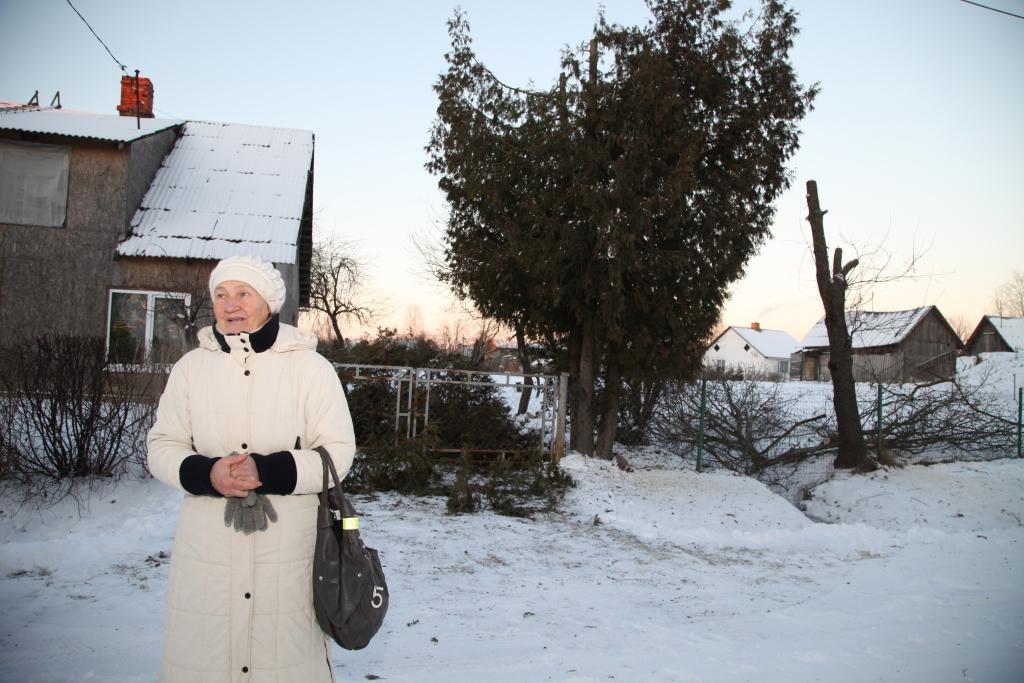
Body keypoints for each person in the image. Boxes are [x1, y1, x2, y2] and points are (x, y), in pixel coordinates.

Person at [148, 254, 356, 682]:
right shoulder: (190, 370)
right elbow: (161, 446)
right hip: (208, 549)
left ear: (268, 302)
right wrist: (206, 474)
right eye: (221, 295)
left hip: (289, 549)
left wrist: (266, 470)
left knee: (282, 655)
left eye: (243, 293)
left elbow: (337, 452)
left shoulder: (309, 369)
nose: (230, 304)